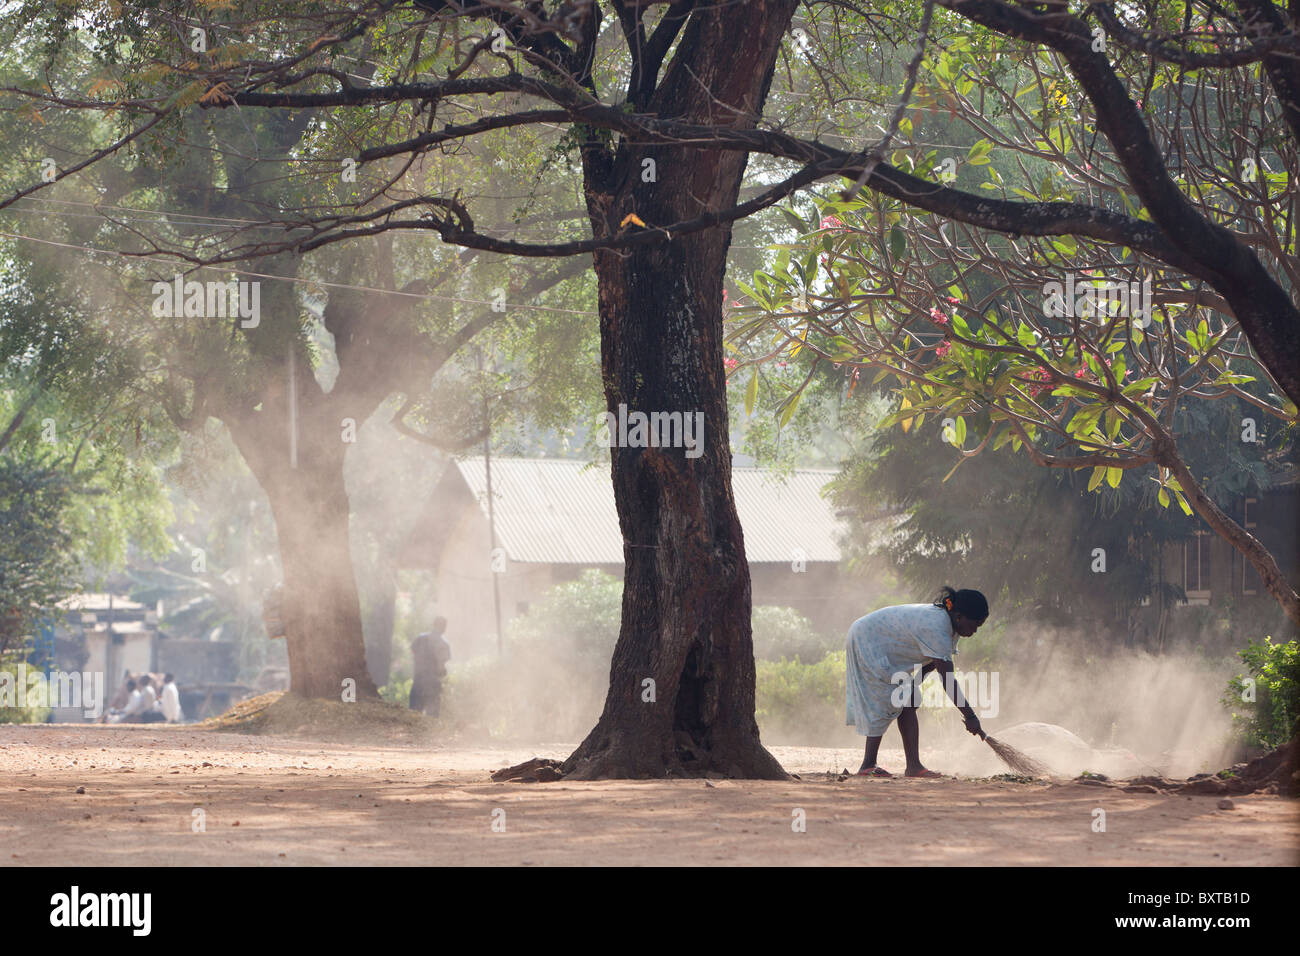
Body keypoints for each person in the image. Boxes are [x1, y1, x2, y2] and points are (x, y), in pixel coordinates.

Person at [845, 586, 989, 778]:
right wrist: (970, 716)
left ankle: (913, 766)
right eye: (974, 625)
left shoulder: (950, 628)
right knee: (886, 699)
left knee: (908, 698)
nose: (975, 631)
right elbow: (947, 678)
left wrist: (912, 684)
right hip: (867, 641)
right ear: (959, 616)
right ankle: (867, 765)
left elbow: (934, 663)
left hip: (878, 643)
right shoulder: (937, 626)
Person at [409, 617, 451, 717]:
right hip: (433, 682)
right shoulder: (444, 644)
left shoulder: (421, 638)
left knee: (414, 713)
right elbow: (442, 665)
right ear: (444, 628)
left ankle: (413, 731)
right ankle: (431, 732)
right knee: (432, 716)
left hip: (419, 679)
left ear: (433, 624)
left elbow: (413, 653)